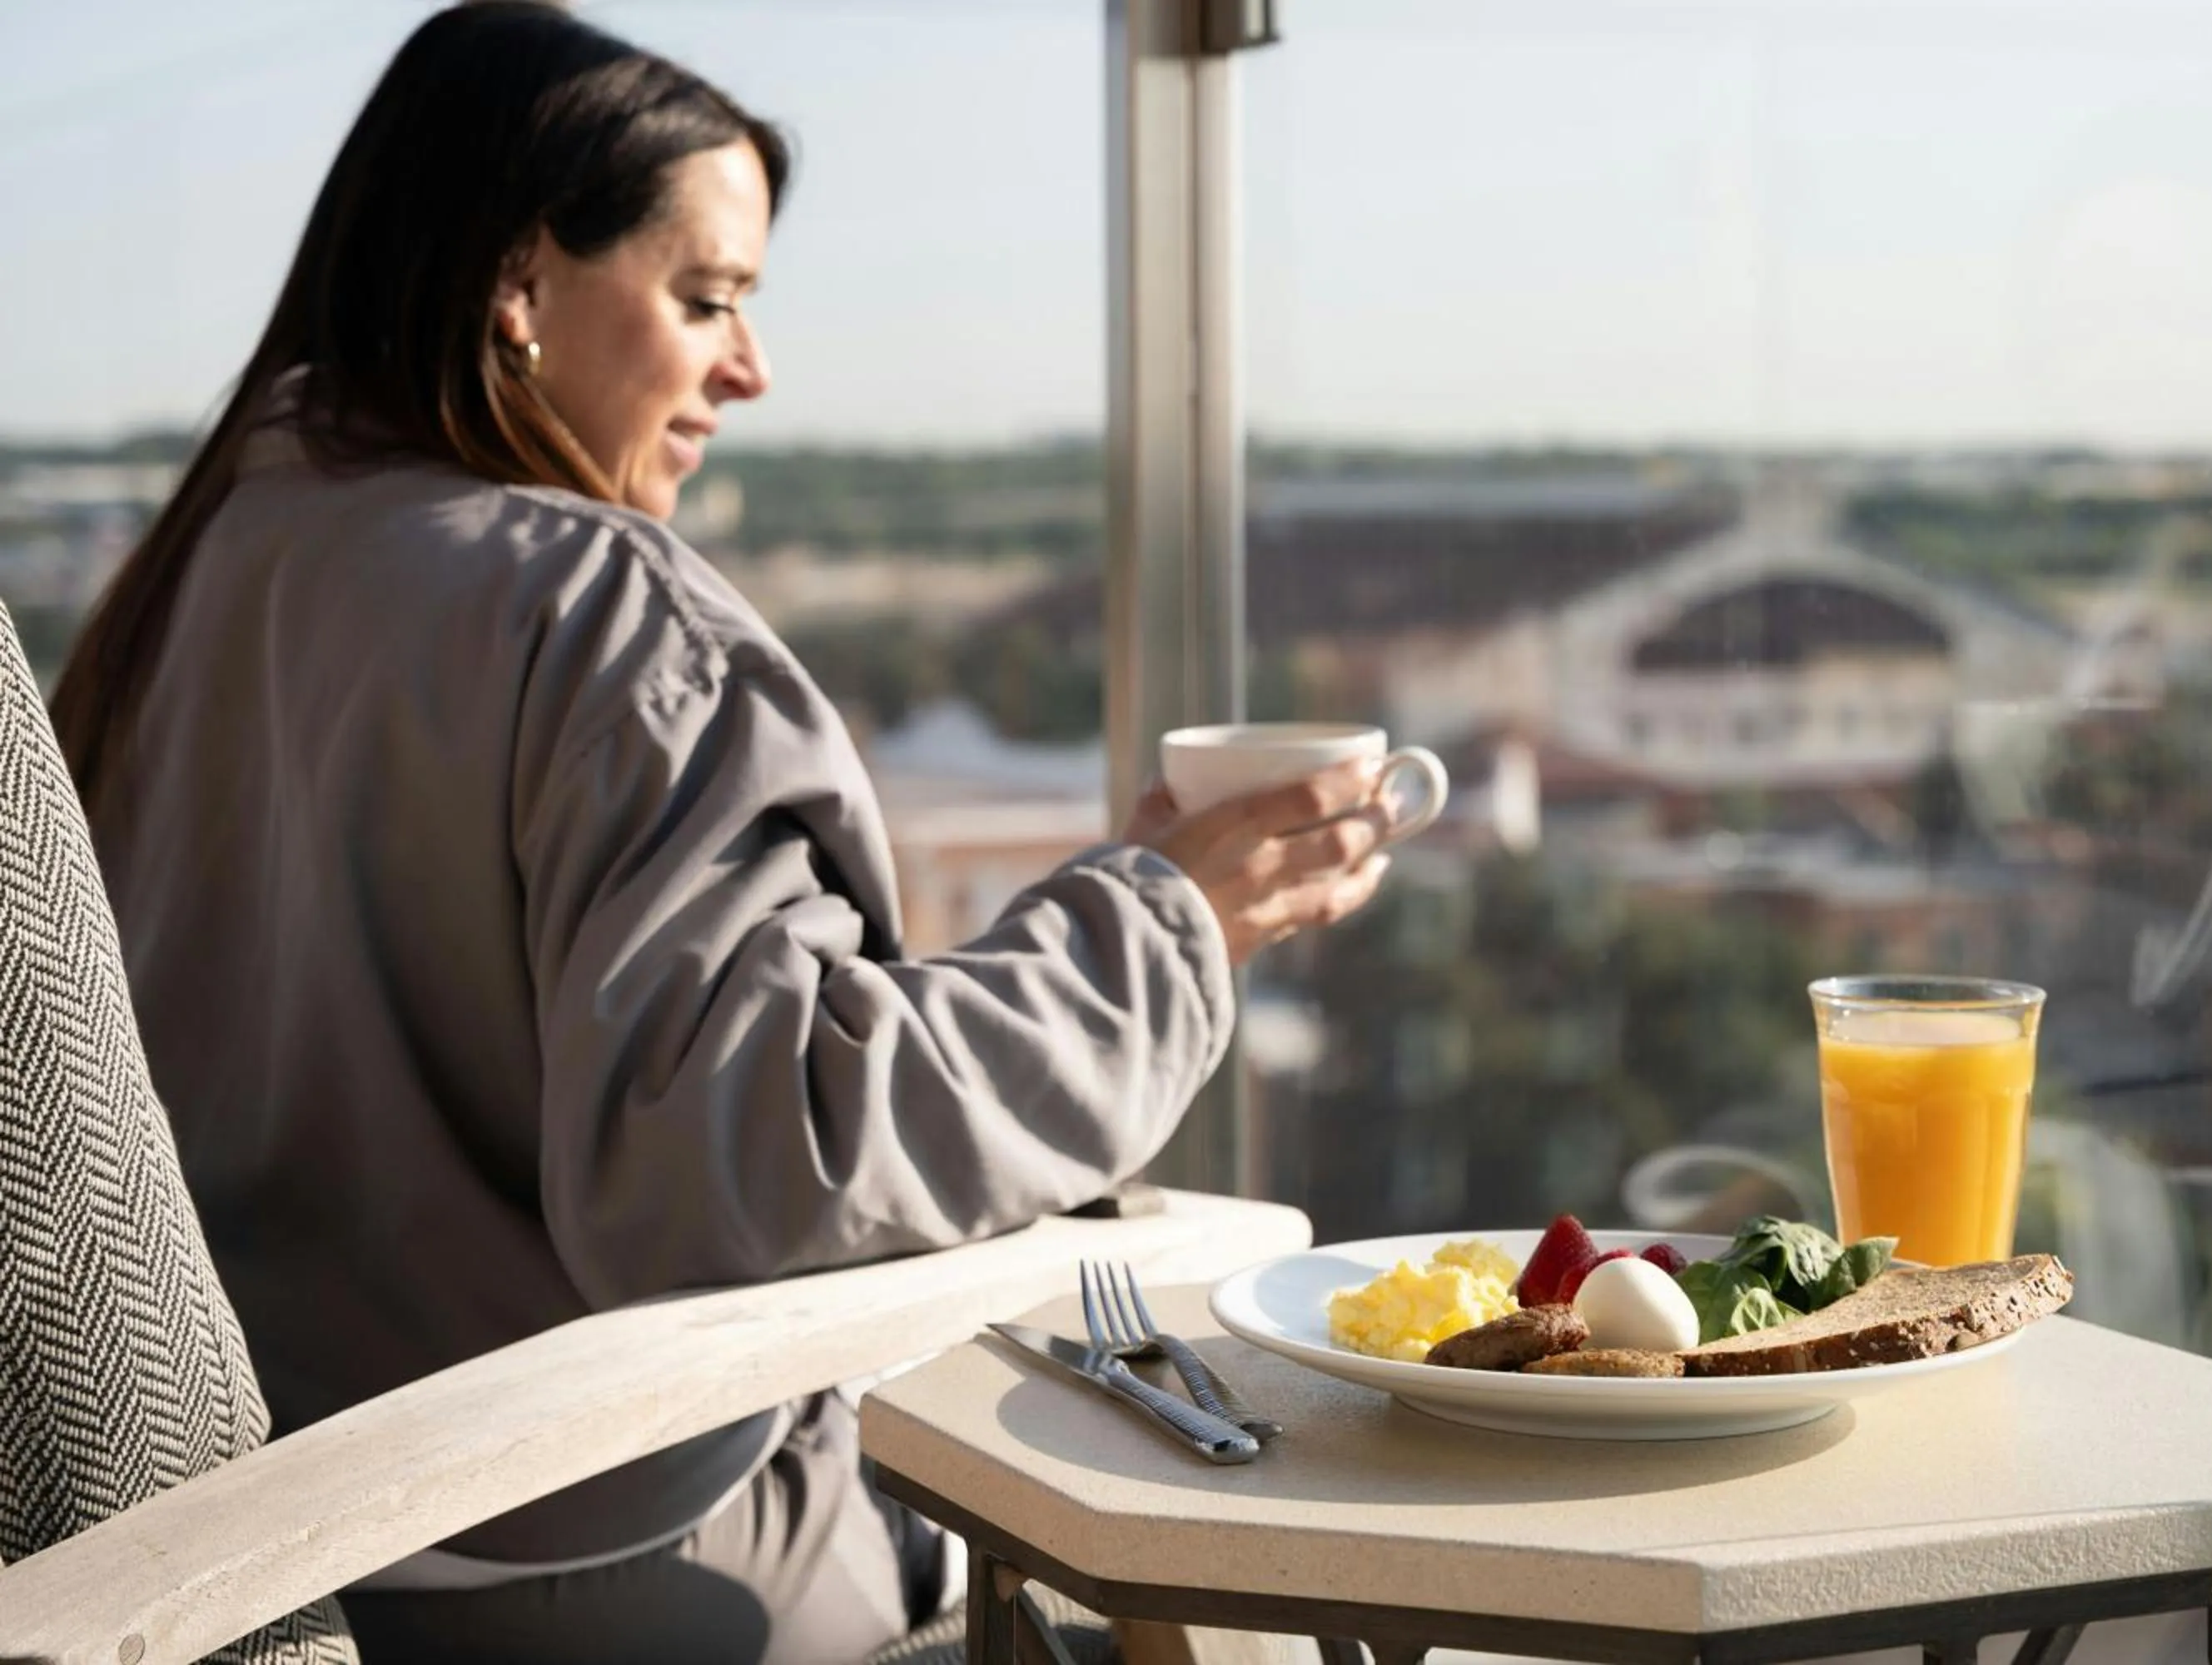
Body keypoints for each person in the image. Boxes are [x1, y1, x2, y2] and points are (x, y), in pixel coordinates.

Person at [48, 6, 1392, 1661]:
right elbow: (756, 1151)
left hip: (230, 1576)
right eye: (708, 300)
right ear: (520, 285)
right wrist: (1172, 923)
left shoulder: (188, 578)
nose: (749, 370)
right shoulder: (598, 612)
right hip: (606, 1566)